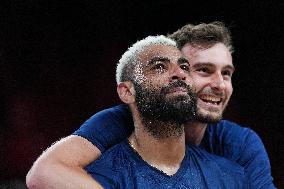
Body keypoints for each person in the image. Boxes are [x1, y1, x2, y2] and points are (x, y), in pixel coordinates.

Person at [26, 22, 275, 189]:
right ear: (127, 92)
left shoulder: (238, 151)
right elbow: (44, 172)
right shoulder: (115, 124)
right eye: (203, 70)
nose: (219, 83)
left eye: (227, 73)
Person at [84, 35, 247, 188]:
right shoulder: (98, 178)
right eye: (159, 67)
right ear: (127, 92)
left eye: (184, 66)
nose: (180, 74)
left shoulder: (231, 177)